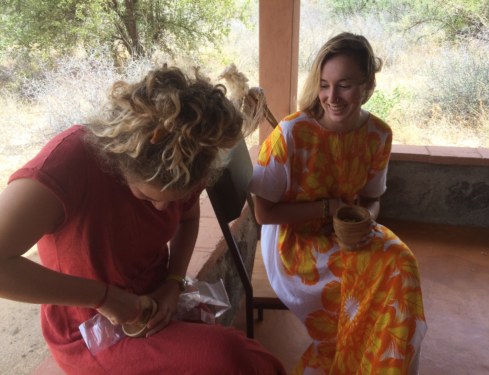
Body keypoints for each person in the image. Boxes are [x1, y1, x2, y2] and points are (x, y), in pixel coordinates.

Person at [0, 65, 287, 375]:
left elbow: (188, 221)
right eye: (149, 197)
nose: (163, 208)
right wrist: (104, 298)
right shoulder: (67, 164)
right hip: (90, 328)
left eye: (176, 198)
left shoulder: (187, 156)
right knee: (228, 356)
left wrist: (172, 284)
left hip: (154, 300)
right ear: (124, 162)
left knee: (248, 360)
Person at [250, 32, 427, 374]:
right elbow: (263, 213)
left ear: (367, 86)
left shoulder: (378, 135)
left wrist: (364, 223)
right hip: (295, 245)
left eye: (344, 85)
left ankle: (389, 367)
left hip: (348, 236)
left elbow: (372, 200)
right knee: (369, 290)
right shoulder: (291, 134)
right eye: (325, 84)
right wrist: (327, 209)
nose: (332, 97)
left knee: (402, 266)